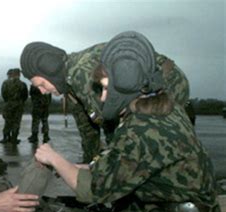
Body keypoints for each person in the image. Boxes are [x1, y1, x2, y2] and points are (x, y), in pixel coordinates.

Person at [34, 31, 220, 212]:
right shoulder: (161, 109)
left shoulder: (140, 130)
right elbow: (124, 164)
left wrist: (54, 159)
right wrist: (88, 167)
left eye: (106, 88)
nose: (102, 96)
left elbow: (92, 190)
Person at [20, 37, 190, 163]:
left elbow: (114, 125)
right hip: (147, 92)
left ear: (50, 71)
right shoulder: (70, 86)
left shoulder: (80, 74)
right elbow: (88, 131)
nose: (42, 92)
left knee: (151, 150)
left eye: (41, 84)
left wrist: (104, 175)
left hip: (167, 84)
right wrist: (90, 165)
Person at [0, 68, 28, 144]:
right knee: (16, 122)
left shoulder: (5, 83)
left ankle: (5, 138)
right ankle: (14, 138)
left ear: (12, 74)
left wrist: (8, 101)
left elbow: (3, 94)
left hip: (8, 105)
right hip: (18, 105)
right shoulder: (22, 84)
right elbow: (25, 96)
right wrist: (19, 102)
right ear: (19, 74)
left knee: (7, 122)